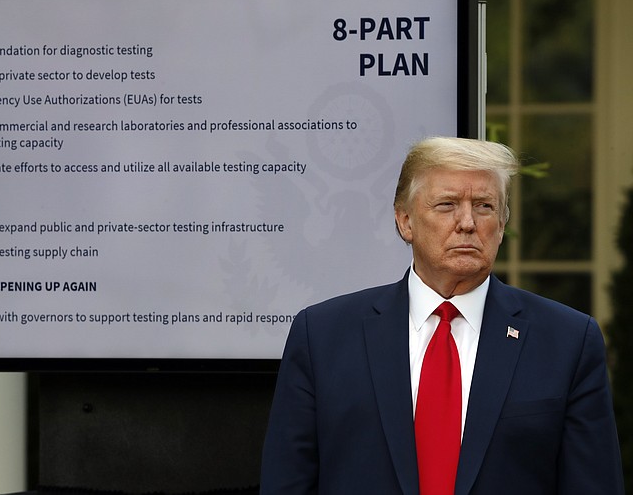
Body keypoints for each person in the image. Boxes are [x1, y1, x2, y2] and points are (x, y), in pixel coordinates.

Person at [260, 136, 624, 494]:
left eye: (484, 206)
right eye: (447, 205)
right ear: (405, 222)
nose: (467, 222)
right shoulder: (323, 336)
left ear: (501, 225)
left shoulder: (567, 340)